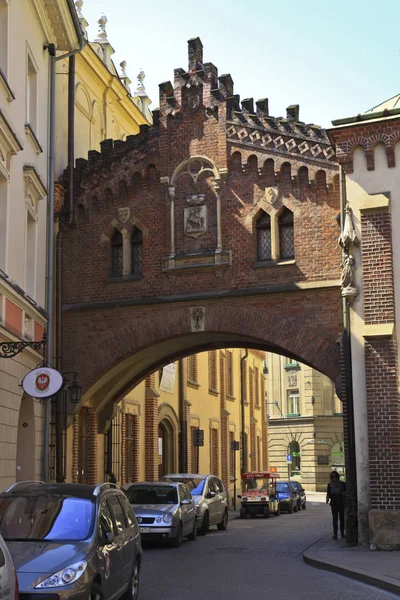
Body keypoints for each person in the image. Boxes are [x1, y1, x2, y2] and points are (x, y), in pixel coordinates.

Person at [326, 471, 345, 540]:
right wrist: (327, 499)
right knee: (335, 519)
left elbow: (345, 493)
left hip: (341, 503)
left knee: (342, 518)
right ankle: (335, 534)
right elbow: (328, 493)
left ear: (338, 477)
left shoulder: (342, 484)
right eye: (332, 477)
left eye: (335, 477)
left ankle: (342, 532)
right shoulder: (330, 485)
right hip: (334, 503)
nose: (334, 478)